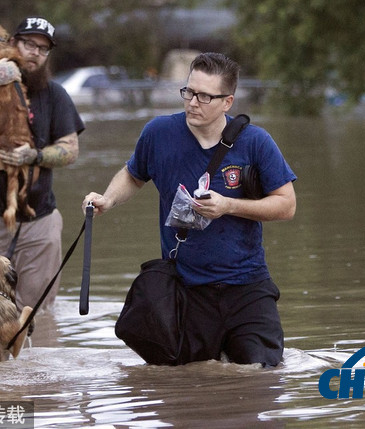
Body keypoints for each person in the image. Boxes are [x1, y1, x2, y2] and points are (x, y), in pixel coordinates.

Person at [82, 52, 296, 366]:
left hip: (247, 286)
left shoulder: (256, 142)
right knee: (185, 384)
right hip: (185, 288)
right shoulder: (159, 134)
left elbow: (287, 205)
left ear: (228, 102)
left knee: (261, 374)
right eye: (189, 92)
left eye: (205, 96)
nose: (193, 102)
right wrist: (108, 199)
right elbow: (133, 174)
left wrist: (228, 206)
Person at [0, 16, 85, 311]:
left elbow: (70, 150)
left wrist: (34, 155)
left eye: (43, 48)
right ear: (12, 44)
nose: (35, 52)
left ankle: (33, 360)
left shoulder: (54, 94)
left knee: (37, 313)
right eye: (29, 44)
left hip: (38, 219)